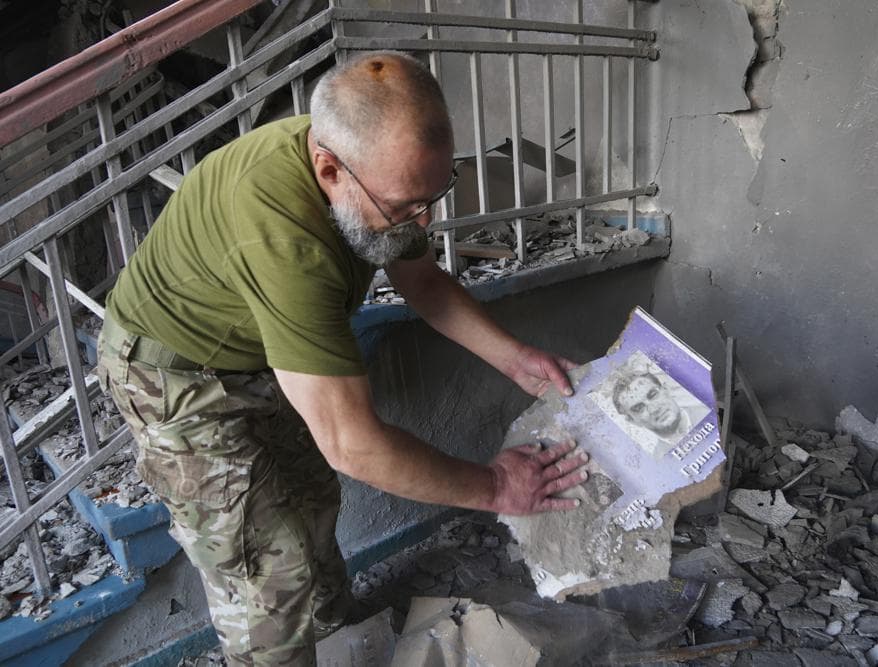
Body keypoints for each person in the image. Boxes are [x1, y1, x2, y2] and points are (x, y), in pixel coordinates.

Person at [96, 51, 588, 665]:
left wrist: (515, 360)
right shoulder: (286, 240)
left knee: (311, 501)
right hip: (174, 373)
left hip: (254, 348)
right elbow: (354, 444)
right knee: (266, 574)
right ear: (329, 169)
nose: (421, 219)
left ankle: (333, 640)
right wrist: (495, 487)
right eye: (405, 205)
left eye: (433, 196)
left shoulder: (375, 173)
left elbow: (425, 283)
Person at [611, 372, 691, 447]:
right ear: (632, 421)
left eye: (653, 395)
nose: (654, 409)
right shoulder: (659, 458)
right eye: (639, 408)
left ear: (666, 390)